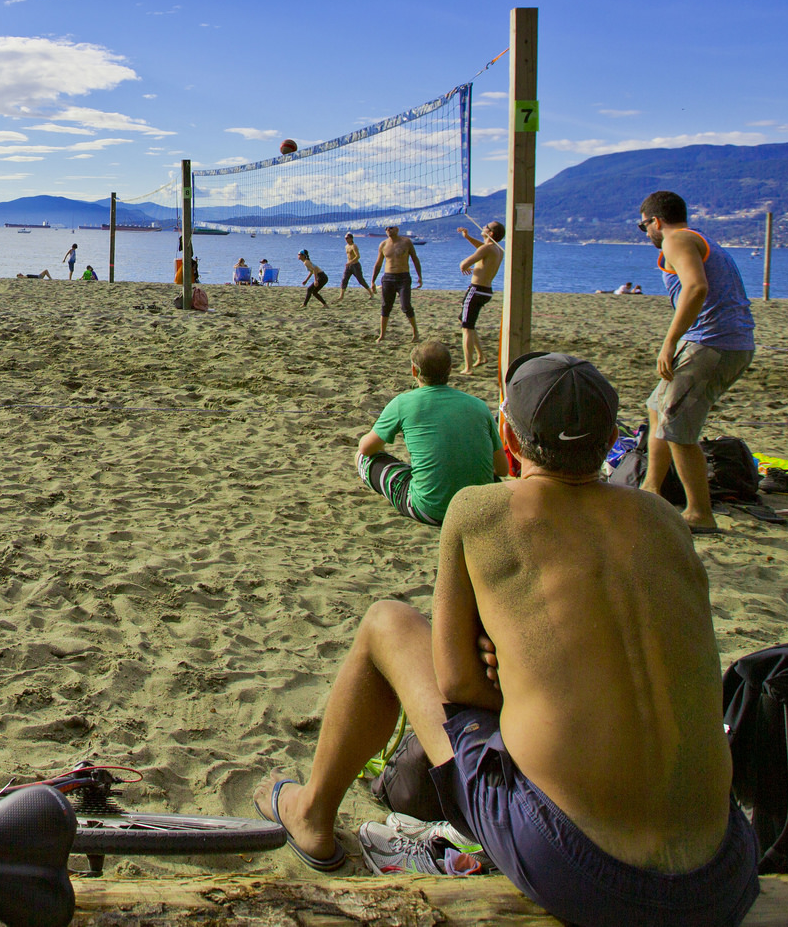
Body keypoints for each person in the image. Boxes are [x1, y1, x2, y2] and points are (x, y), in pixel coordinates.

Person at [258, 354, 757, 927]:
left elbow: (457, 685)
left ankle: (312, 817)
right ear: (613, 439)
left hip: (587, 871)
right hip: (722, 871)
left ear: (507, 433)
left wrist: (517, 682)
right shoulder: (663, 518)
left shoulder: (481, 509)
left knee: (387, 624)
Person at [639, 191, 756, 534]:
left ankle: (699, 513)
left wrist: (670, 341)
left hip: (711, 344)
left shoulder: (676, 240)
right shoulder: (695, 240)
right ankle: (651, 489)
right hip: (723, 341)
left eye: (643, 226)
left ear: (656, 221)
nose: (646, 233)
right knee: (658, 407)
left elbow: (696, 288)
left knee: (678, 427)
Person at [357, 340, 505, 526]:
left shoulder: (403, 403)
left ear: (414, 371)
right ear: (450, 370)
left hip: (430, 510)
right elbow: (502, 469)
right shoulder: (479, 406)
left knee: (362, 458)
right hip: (480, 510)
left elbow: (366, 448)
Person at [454, 222, 504, 374]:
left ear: (491, 233)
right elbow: (481, 249)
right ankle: (481, 356)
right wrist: (468, 237)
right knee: (465, 321)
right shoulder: (496, 249)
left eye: (487, 226)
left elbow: (464, 264)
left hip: (476, 290)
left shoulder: (487, 248)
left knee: (466, 328)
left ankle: (468, 367)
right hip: (486, 290)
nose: (483, 226)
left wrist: (464, 266)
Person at [372, 225, 422, 342]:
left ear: (397, 229)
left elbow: (415, 259)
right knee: (385, 307)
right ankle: (382, 335)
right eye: (386, 228)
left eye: (391, 228)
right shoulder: (383, 244)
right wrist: (373, 281)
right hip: (388, 278)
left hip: (403, 277)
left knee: (406, 306)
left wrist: (419, 276)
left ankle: (415, 332)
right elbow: (378, 264)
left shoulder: (406, 242)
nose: (388, 230)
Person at [338, 233, 373, 299]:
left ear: (351, 239)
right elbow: (349, 256)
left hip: (355, 265)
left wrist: (350, 262)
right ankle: (341, 295)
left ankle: (371, 293)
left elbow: (358, 256)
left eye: (347, 238)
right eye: (345, 238)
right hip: (348, 266)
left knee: (360, 280)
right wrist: (348, 263)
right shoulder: (346, 246)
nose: (346, 239)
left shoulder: (354, 246)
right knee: (344, 279)